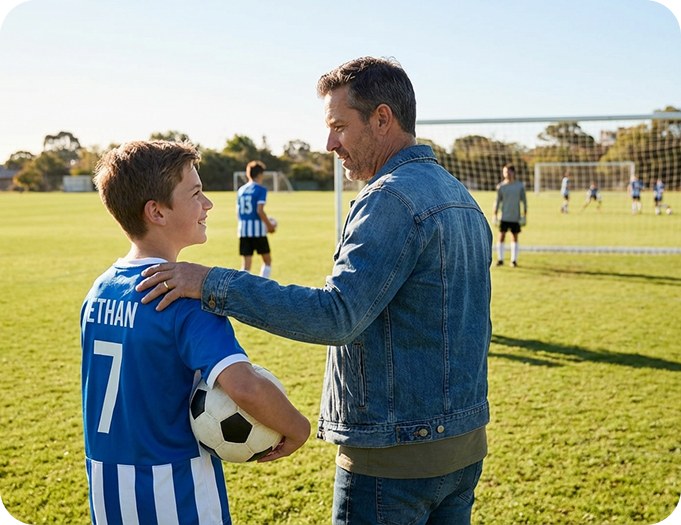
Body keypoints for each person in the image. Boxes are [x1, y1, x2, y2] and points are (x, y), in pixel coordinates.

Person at [136, 57, 492, 525]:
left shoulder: (389, 198)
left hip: (394, 460)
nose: (329, 144)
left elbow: (336, 315)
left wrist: (212, 283)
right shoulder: (461, 197)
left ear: (382, 119)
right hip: (463, 449)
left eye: (339, 126)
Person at [81, 140, 310, 525]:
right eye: (196, 193)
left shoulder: (99, 290)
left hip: (108, 491)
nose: (208, 204)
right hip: (176, 491)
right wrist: (298, 429)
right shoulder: (183, 298)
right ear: (157, 212)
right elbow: (244, 386)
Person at [237, 160, 277, 278]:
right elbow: (259, 210)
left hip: (243, 231)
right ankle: (262, 287)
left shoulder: (241, 190)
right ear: (260, 175)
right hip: (258, 232)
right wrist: (269, 226)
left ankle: (241, 289)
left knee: (246, 266)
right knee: (267, 261)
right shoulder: (260, 190)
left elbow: (238, 212)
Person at [493, 163, 527, 267]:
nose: (506, 173)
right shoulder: (501, 187)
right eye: (504, 172)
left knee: (514, 237)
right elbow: (497, 202)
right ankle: (500, 259)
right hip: (504, 216)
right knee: (501, 236)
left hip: (515, 217)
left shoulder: (519, 186)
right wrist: (494, 215)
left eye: (508, 171)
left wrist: (524, 215)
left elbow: (524, 201)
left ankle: (513, 260)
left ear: (513, 172)